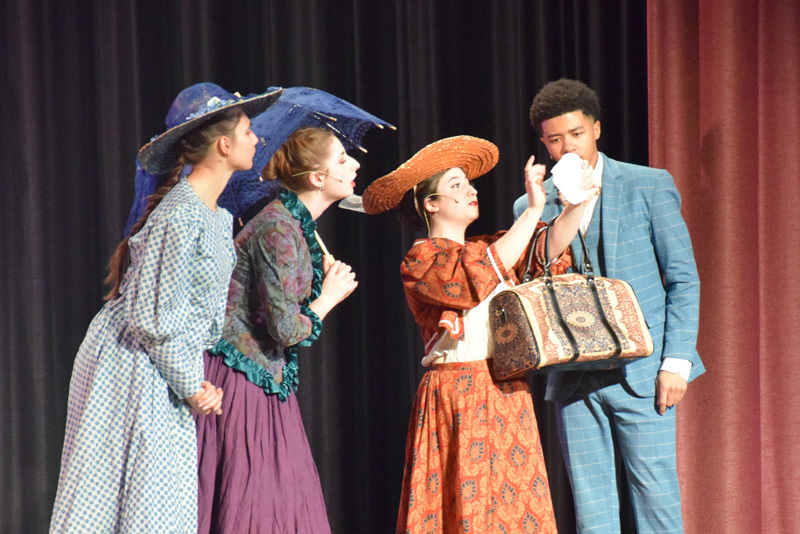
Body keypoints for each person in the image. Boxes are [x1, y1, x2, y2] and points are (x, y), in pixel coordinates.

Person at [49, 82, 280, 534]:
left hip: (164, 365)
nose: (258, 140)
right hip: (132, 363)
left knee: (160, 501)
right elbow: (153, 319)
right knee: (131, 500)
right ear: (224, 143)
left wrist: (193, 379)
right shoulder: (180, 215)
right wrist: (192, 386)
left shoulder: (214, 215)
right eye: (250, 131)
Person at [362, 135, 597, 534]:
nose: (470, 190)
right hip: (458, 394)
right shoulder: (422, 259)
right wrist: (535, 208)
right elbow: (478, 274)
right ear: (430, 204)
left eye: (468, 183)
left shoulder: (487, 246)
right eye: (456, 185)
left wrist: (580, 200)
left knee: (513, 511)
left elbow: (547, 250)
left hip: (507, 393)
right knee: (465, 506)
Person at [513, 78, 704, 533]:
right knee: (593, 511)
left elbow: (683, 279)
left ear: (596, 129)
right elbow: (528, 282)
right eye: (555, 139)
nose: (567, 147)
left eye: (576, 134)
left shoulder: (647, 185)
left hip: (643, 372)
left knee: (656, 500)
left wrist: (675, 363)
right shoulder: (532, 204)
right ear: (543, 142)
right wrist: (549, 207)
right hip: (574, 377)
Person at [195, 127, 360, 534]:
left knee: (284, 500)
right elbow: (286, 328)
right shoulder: (279, 228)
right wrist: (331, 297)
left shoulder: (295, 226)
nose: (354, 164)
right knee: (258, 502)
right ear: (317, 178)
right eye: (342, 159)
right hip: (242, 379)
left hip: (266, 378)